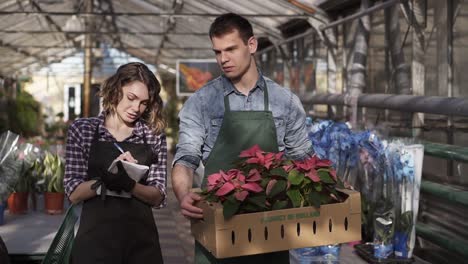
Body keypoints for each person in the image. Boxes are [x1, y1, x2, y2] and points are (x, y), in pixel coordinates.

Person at [172, 13, 314, 264]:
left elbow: (304, 160)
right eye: (217, 52)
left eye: (230, 49)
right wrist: (183, 194)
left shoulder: (286, 102)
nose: (223, 59)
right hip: (217, 227)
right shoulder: (202, 102)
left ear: (251, 45)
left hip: (270, 229)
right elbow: (185, 157)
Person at [64, 62, 167, 264]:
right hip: (94, 244)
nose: (136, 108)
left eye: (144, 103)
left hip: (141, 245)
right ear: (115, 89)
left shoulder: (153, 135)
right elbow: (73, 193)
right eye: (131, 98)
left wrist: (129, 184)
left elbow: (158, 196)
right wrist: (105, 178)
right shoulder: (83, 130)